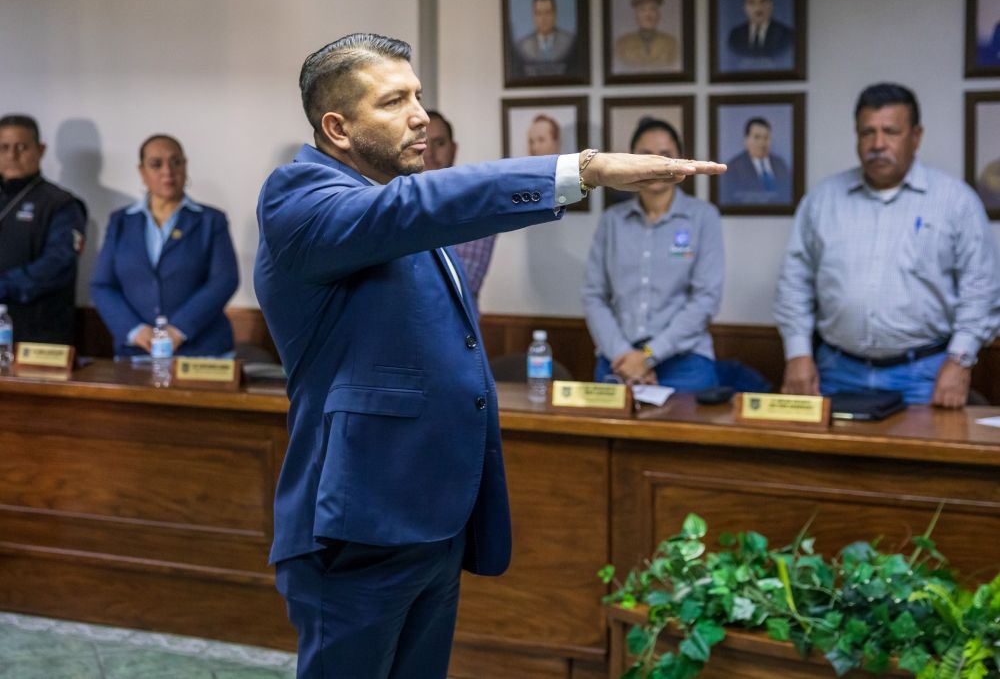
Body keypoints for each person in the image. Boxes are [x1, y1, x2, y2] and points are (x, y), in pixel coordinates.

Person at [253, 33, 725, 679]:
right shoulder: (301, 198)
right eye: (394, 102)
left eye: (418, 96)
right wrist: (581, 170)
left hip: (430, 517)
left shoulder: (399, 199)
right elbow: (412, 210)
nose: (420, 116)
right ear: (337, 127)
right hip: (359, 518)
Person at [774, 82, 1000, 407]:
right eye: (868, 132)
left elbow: (981, 289)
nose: (878, 144)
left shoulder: (955, 202)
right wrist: (797, 353)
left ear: (916, 137)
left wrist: (960, 361)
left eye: (891, 132)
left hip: (925, 374)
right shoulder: (822, 201)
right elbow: (794, 284)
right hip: (835, 371)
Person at [582, 117, 723, 392]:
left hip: (685, 360)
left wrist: (648, 356)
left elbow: (705, 299)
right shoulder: (612, 221)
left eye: (666, 155)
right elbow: (593, 295)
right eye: (646, 155)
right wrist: (624, 355)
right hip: (618, 359)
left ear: (680, 160)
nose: (656, 164)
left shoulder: (703, 217)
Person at [91, 135, 239, 358]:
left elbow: (224, 280)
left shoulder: (210, 220)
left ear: (185, 166)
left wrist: (179, 329)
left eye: (176, 162)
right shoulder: (121, 221)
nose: (168, 171)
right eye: (156, 164)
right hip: (138, 351)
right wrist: (135, 330)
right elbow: (102, 285)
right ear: (142, 172)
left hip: (202, 351)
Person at [0, 114, 87, 346]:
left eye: (22, 147)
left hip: (39, 333)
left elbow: (58, 264)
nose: (12, 155)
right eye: (4, 147)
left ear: (40, 150)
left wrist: (3, 285)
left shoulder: (62, 204)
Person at [424, 110, 496, 303]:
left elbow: (461, 283)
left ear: (453, 149)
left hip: (453, 321)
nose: (429, 153)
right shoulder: (395, 201)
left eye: (439, 143)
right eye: (422, 143)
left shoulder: (477, 207)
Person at [719, 117, 792, 206]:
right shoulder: (734, 167)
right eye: (757, 137)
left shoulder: (780, 164)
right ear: (746, 140)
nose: (762, 142)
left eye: (766, 137)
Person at [614, 0, 679, 71]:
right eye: (642, 10)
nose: (648, 15)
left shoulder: (671, 43)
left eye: (653, 9)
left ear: (659, 15)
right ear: (636, 15)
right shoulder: (622, 44)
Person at [513, 0, 577, 78]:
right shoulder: (523, 45)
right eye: (539, 13)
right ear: (533, 16)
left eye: (547, 12)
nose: (543, 18)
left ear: (555, 14)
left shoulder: (569, 41)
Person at [726, 0, 794, 61]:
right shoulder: (735, 35)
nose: (758, 7)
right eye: (751, 2)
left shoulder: (786, 34)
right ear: (744, 7)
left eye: (763, 1)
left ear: (771, 4)